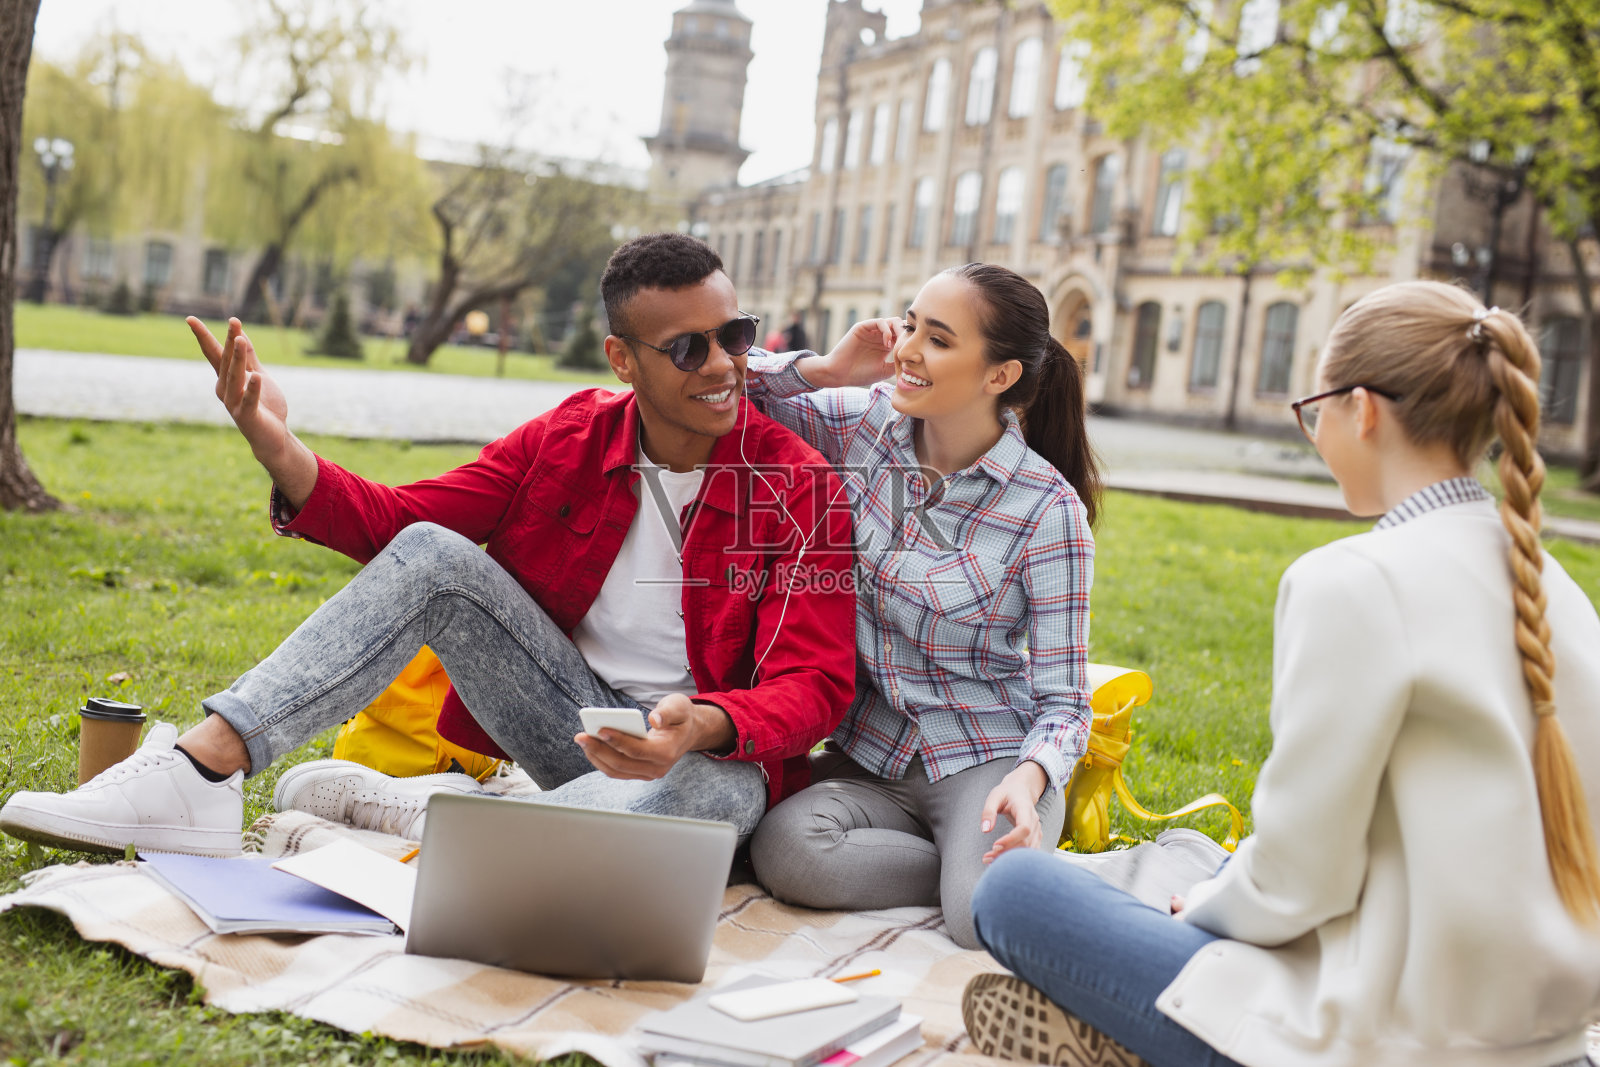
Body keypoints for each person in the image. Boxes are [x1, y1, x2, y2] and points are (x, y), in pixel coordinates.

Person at [0, 234, 856, 857]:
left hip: (702, 751)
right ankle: (200, 774)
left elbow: (815, 685)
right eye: (688, 348)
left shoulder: (800, 484)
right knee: (435, 555)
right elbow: (398, 525)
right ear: (621, 359)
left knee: (720, 792)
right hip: (570, 726)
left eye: (735, 335)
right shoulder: (569, 438)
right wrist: (279, 448)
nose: (724, 365)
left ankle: (436, 820)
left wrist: (703, 723)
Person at [963, 281, 1600, 1067]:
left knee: (1016, 890)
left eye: (1315, 410)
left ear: (1361, 409)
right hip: (1543, 1032)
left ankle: (1150, 1033)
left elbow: (1302, 880)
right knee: (1207, 859)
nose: (1315, 431)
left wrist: (1205, 909)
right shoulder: (1554, 590)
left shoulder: (1355, 581)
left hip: (1382, 1035)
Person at [740, 263, 1100, 949]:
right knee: (786, 849)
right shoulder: (864, 426)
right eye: (910, 325)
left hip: (988, 757)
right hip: (869, 753)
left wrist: (1031, 780)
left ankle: (978, 870)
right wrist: (826, 368)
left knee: (978, 919)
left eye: (937, 339)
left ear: (1000, 375)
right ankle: (957, 864)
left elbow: (1065, 702)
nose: (906, 349)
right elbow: (727, 381)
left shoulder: (1048, 511)